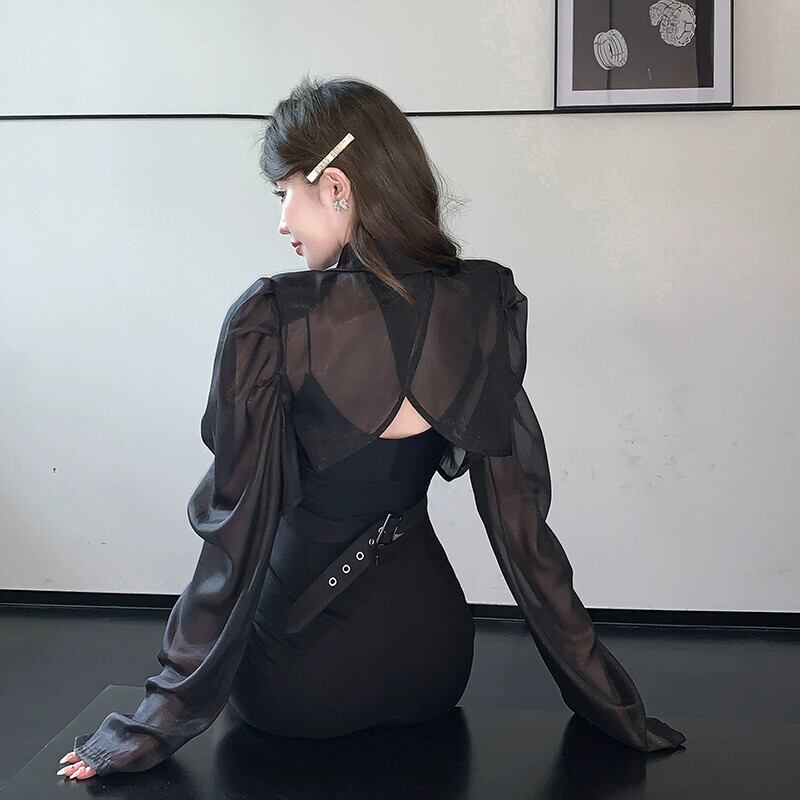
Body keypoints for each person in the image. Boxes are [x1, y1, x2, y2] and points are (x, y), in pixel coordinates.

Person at [58, 75, 685, 781]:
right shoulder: (481, 304)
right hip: (435, 661)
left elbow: (235, 539)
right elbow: (523, 531)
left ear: (336, 185)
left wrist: (154, 721)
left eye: (283, 193)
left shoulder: (273, 319)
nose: (282, 221)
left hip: (298, 676)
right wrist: (608, 701)